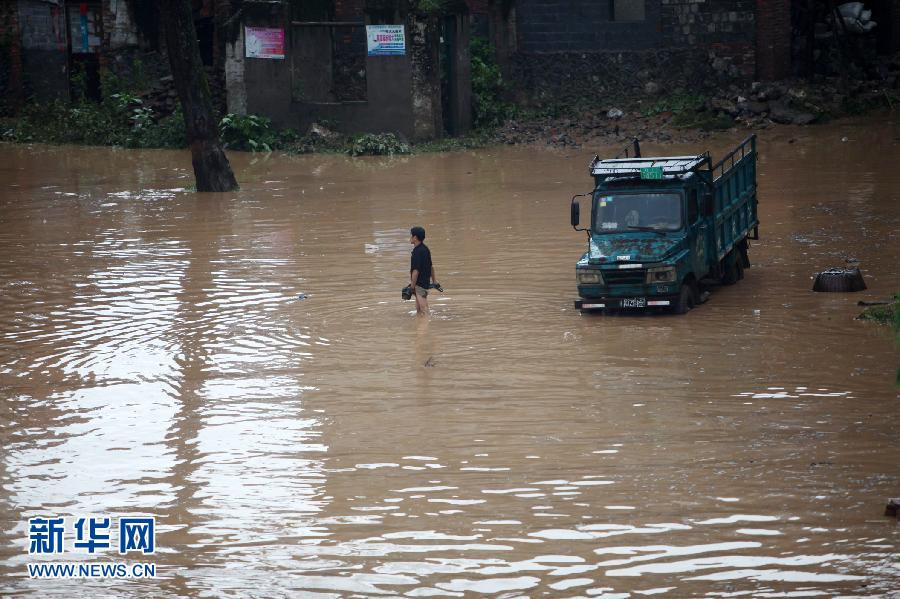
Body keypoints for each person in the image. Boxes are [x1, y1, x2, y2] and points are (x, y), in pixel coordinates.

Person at [409, 226, 437, 315]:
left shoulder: (417, 252)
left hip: (419, 284)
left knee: (424, 309)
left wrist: (412, 287)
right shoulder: (425, 249)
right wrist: (434, 281)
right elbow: (431, 267)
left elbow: (415, 271)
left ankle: (425, 327)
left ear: (415, 238)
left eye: (411, 236)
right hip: (425, 282)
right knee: (419, 310)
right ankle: (420, 326)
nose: (410, 238)